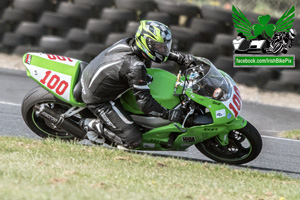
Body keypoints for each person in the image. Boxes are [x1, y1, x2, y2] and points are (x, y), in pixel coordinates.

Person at [80, 20, 195, 149]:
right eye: (159, 46)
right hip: (100, 99)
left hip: (100, 78)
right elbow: (145, 104)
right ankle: (92, 125)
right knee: (133, 141)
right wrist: (168, 114)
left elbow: (158, 53)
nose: (163, 50)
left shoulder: (131, 42)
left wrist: (180, 58)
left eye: (164, 46)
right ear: (146, 43)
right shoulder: (135, 67)